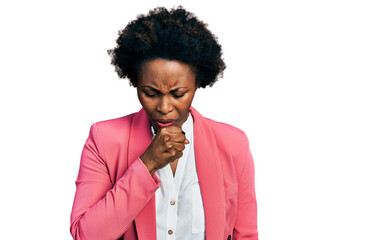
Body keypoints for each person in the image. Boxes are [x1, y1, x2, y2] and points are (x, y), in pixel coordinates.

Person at [70, 6, 258, 240]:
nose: (164, 108)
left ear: (198, 84)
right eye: (151, 92)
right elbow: (85, 235)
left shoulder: (233, 144)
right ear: (135, 83)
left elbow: (246, 235)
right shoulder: (104, 140)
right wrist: (147, 163)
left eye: (178, 94)